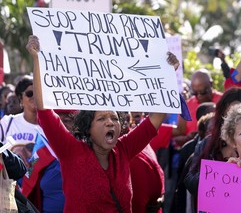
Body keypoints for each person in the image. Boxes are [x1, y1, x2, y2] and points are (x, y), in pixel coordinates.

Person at [26, 35, 181, 212]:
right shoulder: (70, 151)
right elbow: (44, 111)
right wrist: (37, 59)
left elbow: (155, 119)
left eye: (114, 119)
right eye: (102, 119)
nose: (110, 123)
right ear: (88, 128)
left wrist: (168, 75)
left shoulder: (123, 150)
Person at [184, 87, 241, 212]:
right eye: (232, 114)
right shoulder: (209, 144)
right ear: (223, 116)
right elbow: (190, 182)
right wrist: (221, 174)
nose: (238, 119)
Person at [22, 109, 77, 213]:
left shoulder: (89, 152)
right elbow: (27, 186)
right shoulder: (41, 153)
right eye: (55, 120)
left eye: (67, 120)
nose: (59, 126)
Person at [0, 75, 45, 168]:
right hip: (9, 181)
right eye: (30, 93)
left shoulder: (50, 127)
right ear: (21, 98)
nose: (35, 97)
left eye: (38, 93)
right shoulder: (7, 123)